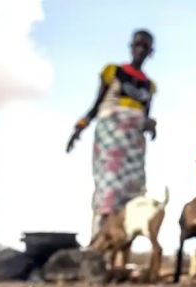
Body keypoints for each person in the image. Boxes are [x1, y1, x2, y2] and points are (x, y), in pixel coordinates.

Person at [67, 29, 158, 239]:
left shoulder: (149, 86)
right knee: (108, 185)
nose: (140, 50)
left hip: (134, 144)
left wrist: (150, 125)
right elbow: (96, 104)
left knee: (132, 193)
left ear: (150, 52)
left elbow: (145, 116)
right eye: (137, 44)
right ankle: (99, 239)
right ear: (131, 46)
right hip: (111, 138)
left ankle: (119, 245)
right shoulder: (113, 72)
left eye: (145, 47)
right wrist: (79, 127)